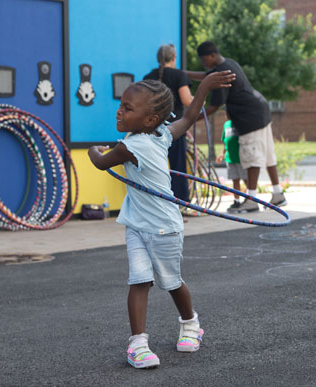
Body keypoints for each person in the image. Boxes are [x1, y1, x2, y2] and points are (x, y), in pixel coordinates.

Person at [88, 70, 236, 369]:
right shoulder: (160, 135)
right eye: (121, 104)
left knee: (170, 281)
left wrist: (94, 149)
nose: (120, 110)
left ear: (150, 119)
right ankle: (138, 343)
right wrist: (204, 85)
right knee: (139, 280)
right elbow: (189, 116)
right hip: (137, 226)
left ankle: (190, 323)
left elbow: (101, 163)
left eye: (128, 108)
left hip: (164, 227)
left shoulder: (129, 147)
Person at [186, 41, 287, 212]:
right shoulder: (228, 63)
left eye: (204, 60)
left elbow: (213, 107)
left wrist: (189, 119)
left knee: (251, 158)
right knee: (268, 155)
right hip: (260, 110)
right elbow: (206, 75)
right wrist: (184, 74)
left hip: (249, 118)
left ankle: (251, 200)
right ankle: (278, 194)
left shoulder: (221, 73)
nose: (204, 64)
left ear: (212, 56)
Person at [143, 44, 193, 208]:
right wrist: (200, 99)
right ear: (174, 58)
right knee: (178, 167)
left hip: (152, 128)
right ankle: (179, 206)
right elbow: (187, 100)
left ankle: (154, 205)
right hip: (174, 129)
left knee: (154, 166)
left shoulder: (149, 76)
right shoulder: (179, 75)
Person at [217, 116, 248, 213]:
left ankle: (250, 199)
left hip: (241, 158)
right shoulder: (226, 125)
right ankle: (236, 201)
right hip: (230, 158)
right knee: (235, 180)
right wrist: (222, 153)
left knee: (246, 179)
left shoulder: (241, 122)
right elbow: (225, 140)